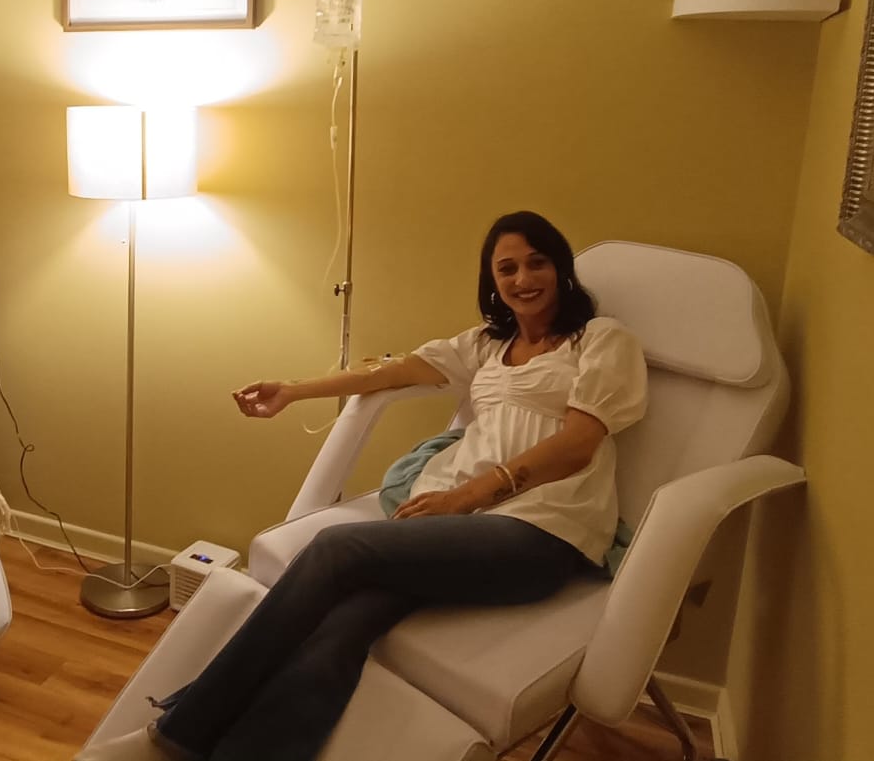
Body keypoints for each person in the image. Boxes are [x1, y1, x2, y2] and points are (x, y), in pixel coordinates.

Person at [84, 211, 649, 761]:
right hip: (459, 530)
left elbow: (579, 445)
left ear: (560, 268)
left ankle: (176, 735)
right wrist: (293, 390)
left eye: (537, 262)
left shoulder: (599, 339)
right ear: (492, 281)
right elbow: (389, 372)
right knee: (348, 621)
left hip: (539, 534)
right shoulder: (485, 347)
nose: (523, 279)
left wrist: (466, 497)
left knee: (336, 548)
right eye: (507, 268)